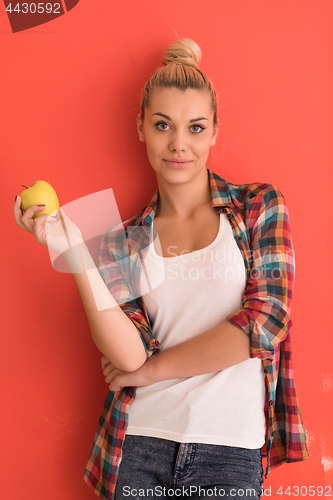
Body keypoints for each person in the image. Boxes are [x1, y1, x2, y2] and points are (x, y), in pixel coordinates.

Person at [14, 38, 309, 500]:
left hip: (230, 451)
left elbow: (267, 323)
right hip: (140, 444)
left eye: (195, 128)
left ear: (215, 131)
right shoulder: (120, 240)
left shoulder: (258, 205)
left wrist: (154, 372)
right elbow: (129, 359)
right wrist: (74, 251)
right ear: (141, 128)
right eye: (163, 125)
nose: (178, 144)